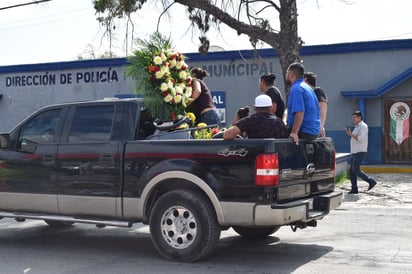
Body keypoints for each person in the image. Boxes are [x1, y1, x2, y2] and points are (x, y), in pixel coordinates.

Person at [286, 62, 320, 145]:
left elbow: (300, 112)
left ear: (291, 74)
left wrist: (294, 133)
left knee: (274, 131)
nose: (286, 75)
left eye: (287, 73)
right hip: (314, 132)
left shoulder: (296, 89)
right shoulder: (308, 88)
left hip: (304, 131)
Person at [346, 111, 377, 194]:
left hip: (360, 151)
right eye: (352, 117)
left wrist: (350, 134)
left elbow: (360, 138)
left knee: (355, 170)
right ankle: (354, 188)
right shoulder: (357, 127)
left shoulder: (363, 126)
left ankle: (370, 180)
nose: (353, 119)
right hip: (354, 151)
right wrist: (351, 134)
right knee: (351, 171)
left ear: (359, 118)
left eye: (354, 117)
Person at [304, 72, 328, 137]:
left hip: (314, 129)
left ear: (305, 79)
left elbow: (323, 108)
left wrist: (321, 126)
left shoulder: (317, 91)